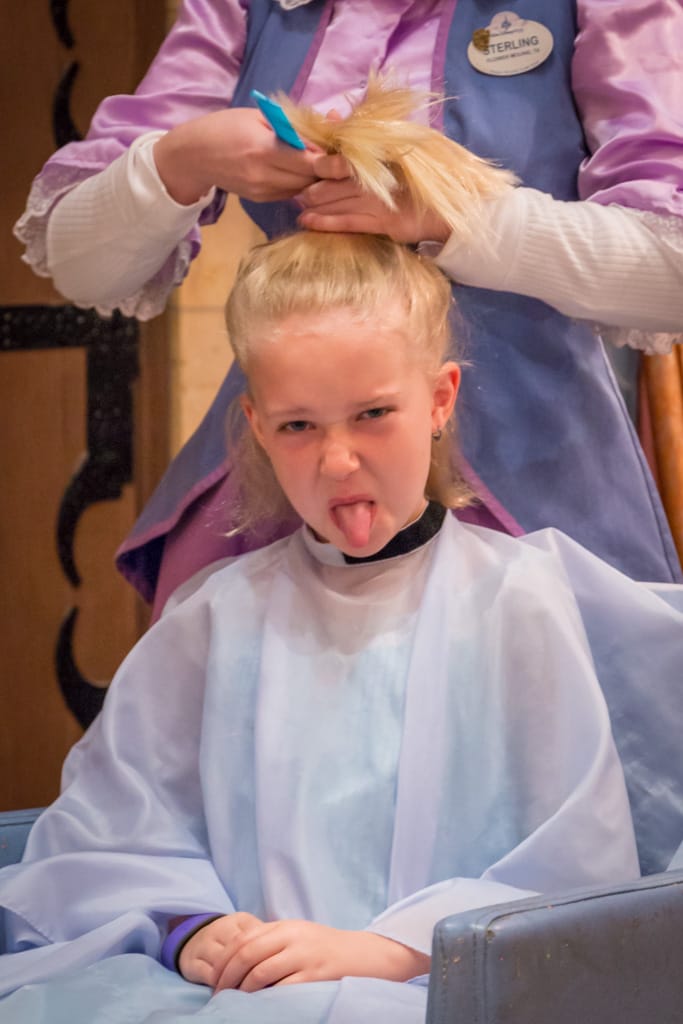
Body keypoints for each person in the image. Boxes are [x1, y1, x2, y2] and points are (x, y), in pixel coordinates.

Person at [3, 227, 682, 1024]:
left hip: (451, 990)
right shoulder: (215, 618)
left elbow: (572, 857)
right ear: (255, 424)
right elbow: (112, 833)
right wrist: (193, 931)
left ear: (438, 399)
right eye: (298, 426)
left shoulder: (523, 599)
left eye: (370, 415)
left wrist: (389, 948)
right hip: (235, 992)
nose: (336, 461)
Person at [14, 1, 683, 617]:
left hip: (536, 489)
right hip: (286, 487)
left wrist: (457, 218)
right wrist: (183, 158)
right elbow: (85, 267)